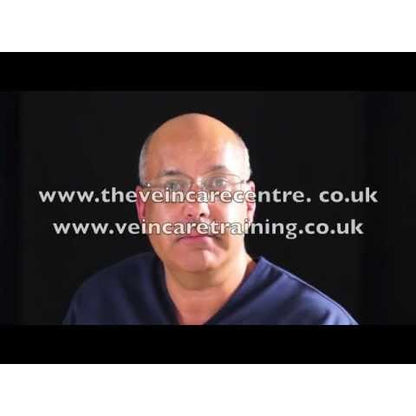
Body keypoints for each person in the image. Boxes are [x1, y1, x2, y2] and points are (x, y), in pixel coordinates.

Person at [63, 113, 358, 325]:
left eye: (218, 184)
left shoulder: (316, 319)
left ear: (248, 204)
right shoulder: (101, 304)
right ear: (143, 209)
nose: (197, 208)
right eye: (172, 187)